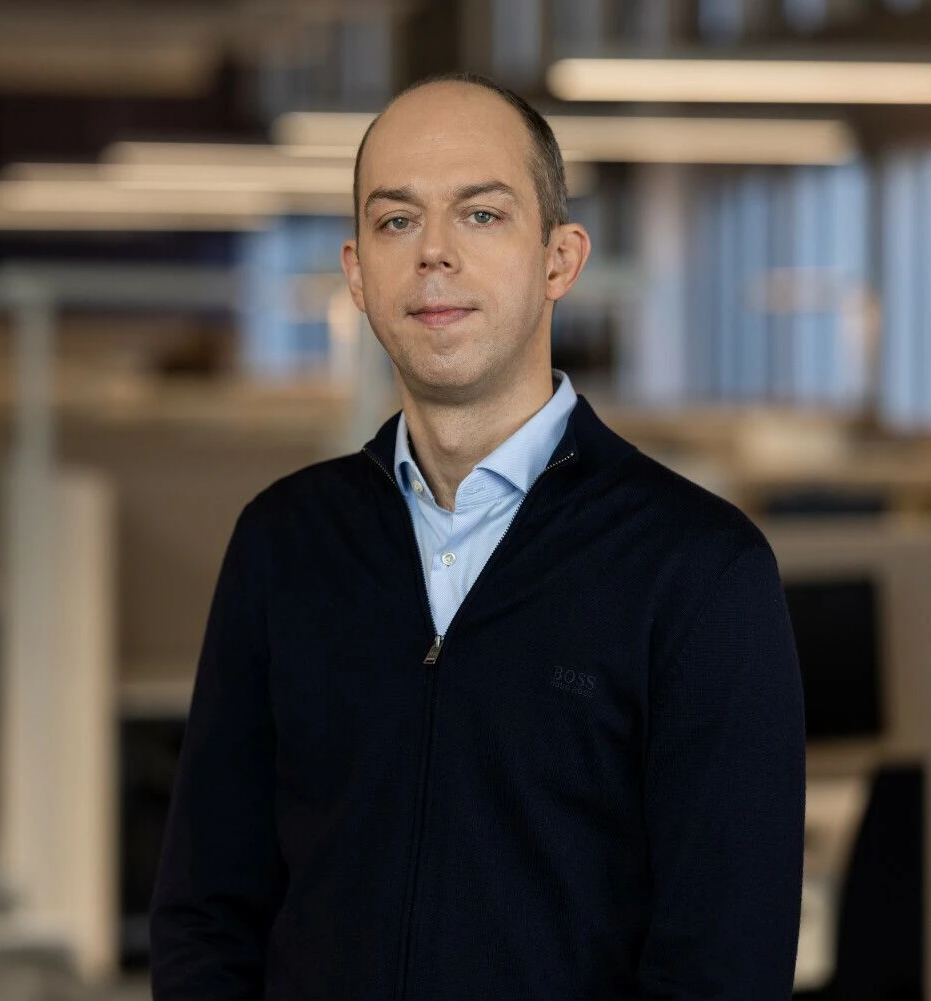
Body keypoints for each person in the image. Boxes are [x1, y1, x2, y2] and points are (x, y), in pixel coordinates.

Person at [149, 71, 805, 1000]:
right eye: (396, 221)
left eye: (483, 215)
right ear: (356, 274)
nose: (434, 254)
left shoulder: (700, 570)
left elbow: (726, 966)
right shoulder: (282, 543)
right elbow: (205, 911)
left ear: (560, 260)